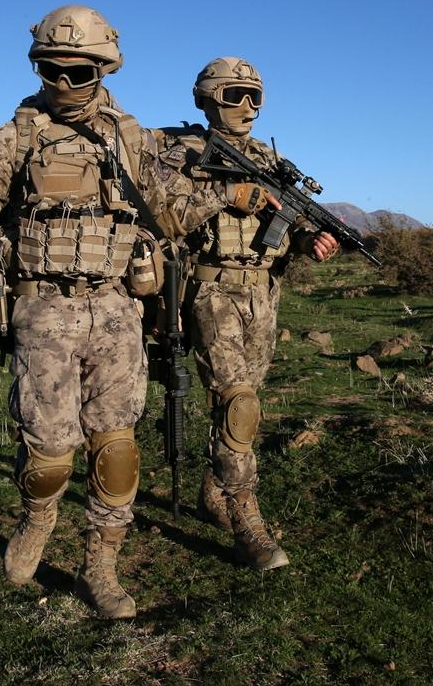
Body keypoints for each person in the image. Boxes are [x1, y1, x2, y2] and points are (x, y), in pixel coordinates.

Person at [0, 6, 180, 619]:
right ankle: (37, 519)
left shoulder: (135, 141)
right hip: (42, 311)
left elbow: (170, 217)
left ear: (103, 69)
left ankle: (100, 568)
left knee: (116, 447)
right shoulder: (12, 140)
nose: (63, 82)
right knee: (50, 453)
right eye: (50, 69)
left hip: (116, 310)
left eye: (78, 72)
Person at [152, 57, 339, 571]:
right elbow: (164, 213)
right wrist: (226, 195)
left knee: (245, 403)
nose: (249, 106)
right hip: (211, 291)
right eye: (237, 94)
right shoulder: (182, 153)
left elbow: (292, 222)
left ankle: (214, 492)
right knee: (237, 402)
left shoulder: (271, 160)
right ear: (208, 97)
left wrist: (311, 240)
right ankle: (246, 520)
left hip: (263, 294)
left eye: (257, 96)